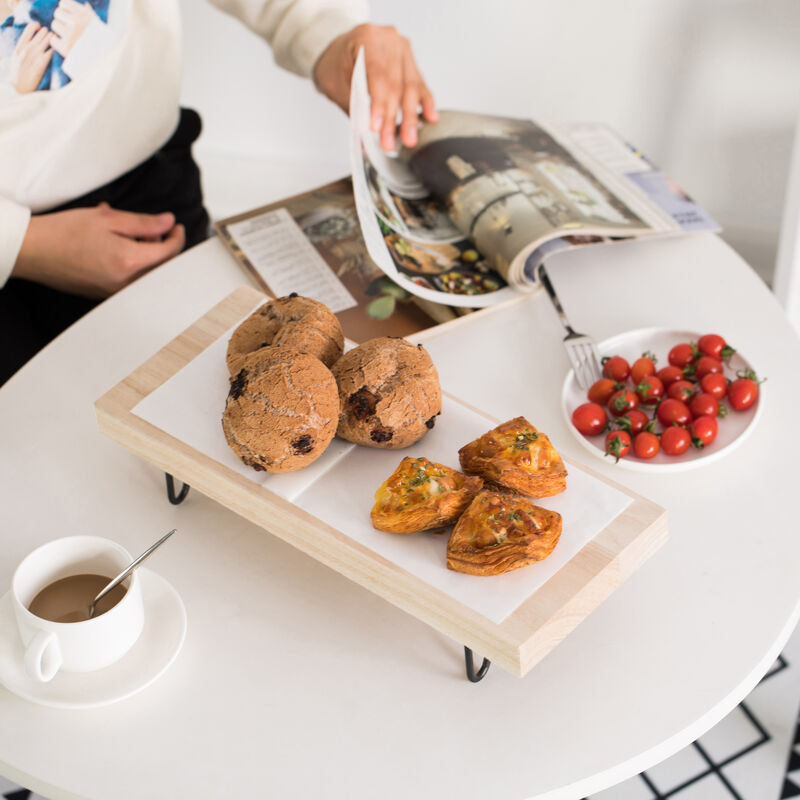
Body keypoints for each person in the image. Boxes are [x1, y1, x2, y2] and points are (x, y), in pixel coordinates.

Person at [0, 0, 438, 385]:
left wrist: (325, 30)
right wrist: (20, 245)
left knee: (194, 389)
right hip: (12, 252)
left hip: (152, 183)